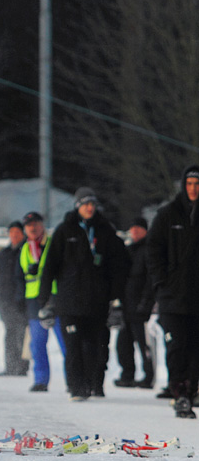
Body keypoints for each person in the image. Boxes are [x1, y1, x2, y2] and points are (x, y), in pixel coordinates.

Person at [38, 188, 128, 401]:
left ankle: (92, 384)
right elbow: (49, 266)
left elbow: (119, 267)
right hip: (69, 302)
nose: (89, 208)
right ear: (78, 206)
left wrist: (116, 299)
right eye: (85, 204)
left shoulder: (105, 231)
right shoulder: (64, 231)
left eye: (92, 204)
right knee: (73, 346)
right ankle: (76, 387)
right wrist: (45, 301)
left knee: (94, 347)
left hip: (97, 302)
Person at [146, 165, 199, 419]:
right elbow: (153, 251)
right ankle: (180, 394)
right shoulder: (167, 215)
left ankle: (190, 391)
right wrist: (161, 283)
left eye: (197, 184)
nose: (193, 189)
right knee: (176, 346)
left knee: (195, 349)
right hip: (172, 297)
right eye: (189, 184)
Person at [17, 211, 66, 391]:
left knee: (64, 341)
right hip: (33, 301)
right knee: (37, 344)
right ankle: (41, 380)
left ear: (42, 225)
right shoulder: (24, 248)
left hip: (54, 297)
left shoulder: (53, 244)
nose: (33, 227)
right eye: (29, 225)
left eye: (36, 223)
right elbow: (20, 277)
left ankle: (72, 380)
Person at [114, 217, 155, 389]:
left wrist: (146, 303)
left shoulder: (150, 250)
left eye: (139, 228)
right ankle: (127, 374)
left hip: (141, 308)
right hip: (127, 306)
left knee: (144, 344)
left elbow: (150, 280)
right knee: (123, 343)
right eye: (133, 228)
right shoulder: (127, 251)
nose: (135, 231)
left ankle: (148, 376)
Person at [0, 221, 29, 376]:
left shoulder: (26, 250)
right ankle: (10, 366)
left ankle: (21, 368)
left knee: (22, 334)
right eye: (12, 232)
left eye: (17, 232)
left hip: (21, 302)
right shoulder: (4, 253)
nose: (14, 235)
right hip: (5, 301)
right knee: (10, 334)